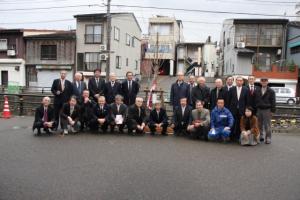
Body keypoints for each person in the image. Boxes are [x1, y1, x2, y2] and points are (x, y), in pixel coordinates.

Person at [255, 78, 276, 144]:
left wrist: (272, 111)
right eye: (262, 81)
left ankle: (268, 138)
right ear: (260, 82)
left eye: (265, 81)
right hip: (259, 109)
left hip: (267, 109)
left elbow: (273, 102)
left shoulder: (271, 91)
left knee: (267, 125)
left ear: (267, 82)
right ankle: (261, 136)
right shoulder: (257, 90)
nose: (264, 82)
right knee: (259, 124)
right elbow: (255, 100)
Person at [228, 76, 249, 142]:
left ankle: (240, 137)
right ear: (236, 81)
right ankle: (231, 137)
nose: (239, 82)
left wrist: (246, 110)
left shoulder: (246, 89)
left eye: (240, 81)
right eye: (238, 80)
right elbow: (229, 100)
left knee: (241, 123)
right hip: (233, 110)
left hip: (242, 110)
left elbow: (247, 101)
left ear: (242, 82)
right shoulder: (232, 89)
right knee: (232, 123)